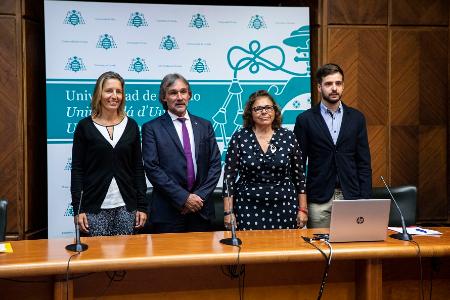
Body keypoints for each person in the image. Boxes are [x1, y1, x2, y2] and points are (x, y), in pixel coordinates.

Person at [293, 63, 372, 228]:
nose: (334, 88)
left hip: (352, 197)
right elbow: (298, 166)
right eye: (329, 84)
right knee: (320, 249)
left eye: (338, 83)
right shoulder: (305, 120)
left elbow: (364, 163)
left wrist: (365, 200)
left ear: (343, 86)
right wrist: (302, 203)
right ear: (319, 87)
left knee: (351, 250)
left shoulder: (357, 118)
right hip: (318, 199)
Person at [70, 71, 148, 236]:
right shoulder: (84, 126)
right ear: (99, 93)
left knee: (125, 260)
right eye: (109, 91)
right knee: (95, 260)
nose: (114, 96)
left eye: (118, 91)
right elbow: (77, 170)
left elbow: (138, 168)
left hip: (126, 208)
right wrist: (78, 208)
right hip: (93, 209)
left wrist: (142, 206)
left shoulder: (132, 125)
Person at [142, 73, 221, 233]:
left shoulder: (205, 125)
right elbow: (152, 168)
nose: (179, 97)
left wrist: (198, 198)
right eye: (173, 93)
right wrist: (184, 199)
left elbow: (215, 165)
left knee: (204, 259)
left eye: (183, 92)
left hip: (201, 210)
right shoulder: (152, 128)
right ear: (164, 97)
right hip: (168, 213)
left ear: (189, 95)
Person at [223, 90, 307, 230]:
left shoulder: (288, 137)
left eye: (268, 107)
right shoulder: (239, 137)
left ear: (275, 111)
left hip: (284, 206)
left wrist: (303, 209)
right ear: (250, 113)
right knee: (250, 250)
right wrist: (228, 212)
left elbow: (299, 176)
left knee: (284, 250)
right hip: (247, 207)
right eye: (258, 108)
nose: (264, 112)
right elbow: (229, 178)